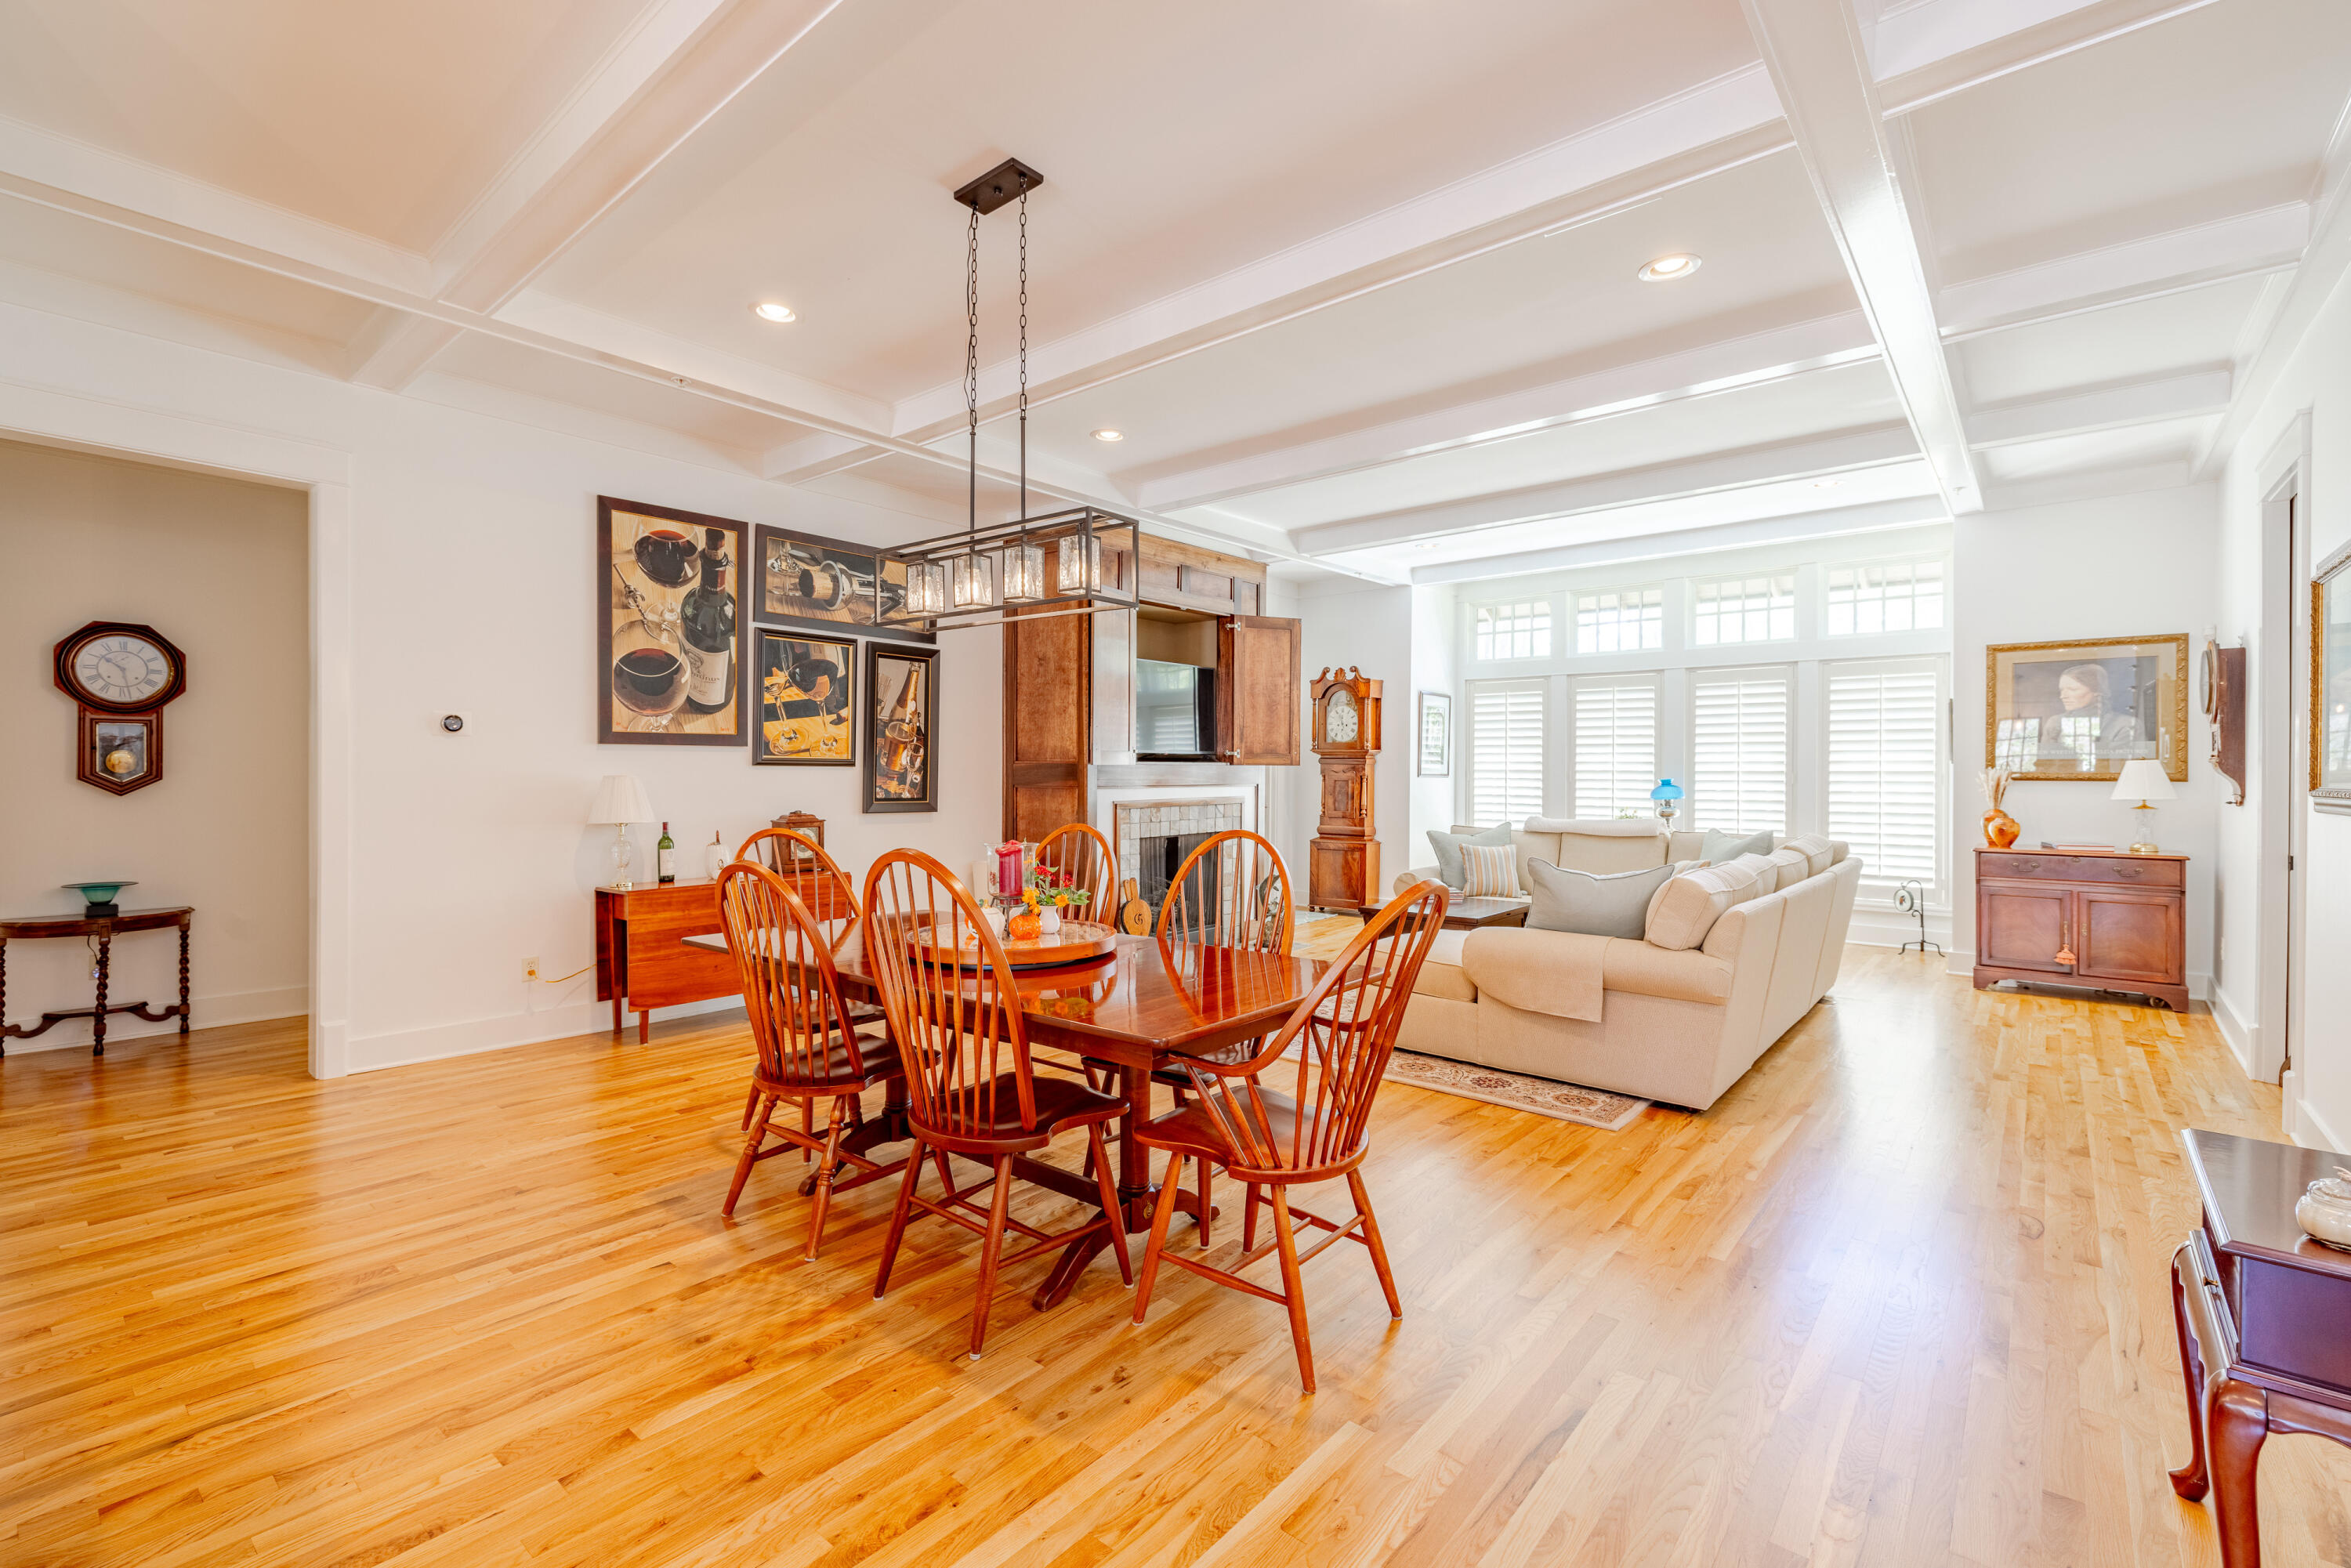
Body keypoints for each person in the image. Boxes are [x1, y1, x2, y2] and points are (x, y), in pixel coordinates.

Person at [2036, 662, 2139, 766]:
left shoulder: (2125, 725)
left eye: (2073, 689)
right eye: (2061, 690)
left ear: (2097, 691)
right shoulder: (2055, 723)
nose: (2063, 696)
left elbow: (2119, 766)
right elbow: (2046, 765)